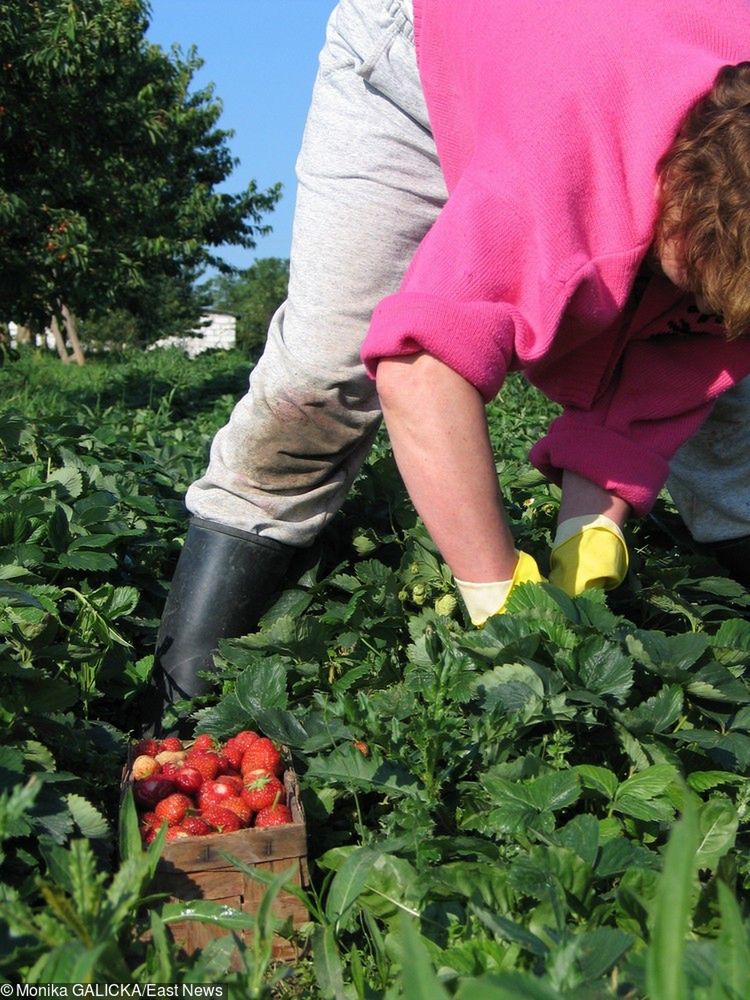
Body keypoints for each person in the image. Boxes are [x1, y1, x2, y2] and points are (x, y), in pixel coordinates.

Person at [151, 0, 750, 723]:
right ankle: (185, 699)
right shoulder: (561, 159)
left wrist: (592, 526)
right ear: (676, 212)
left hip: (578, 57)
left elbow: (677, 355)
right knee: (321, 376)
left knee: (729, 415)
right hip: (416, 47)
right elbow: (420, 369)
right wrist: (496, 592)